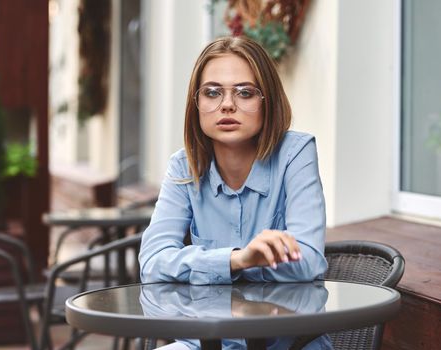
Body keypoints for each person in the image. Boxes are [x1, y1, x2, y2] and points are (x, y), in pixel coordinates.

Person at [139, 36, 332, 350]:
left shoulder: (295, 154)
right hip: (204, 344)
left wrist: (210, 267)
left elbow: (309, 260)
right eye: (212, 92)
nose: (227, 104)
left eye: (244, 92)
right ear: (196, 104)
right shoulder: (183, 167)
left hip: (287, 344)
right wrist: (238, 259)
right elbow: (152, 263)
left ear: (266, 100)